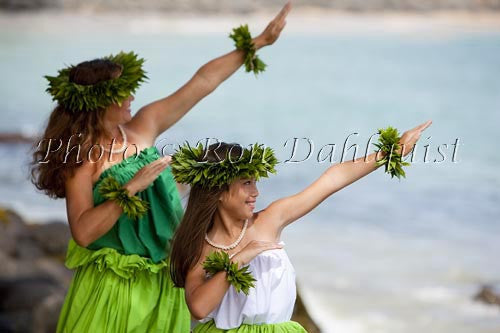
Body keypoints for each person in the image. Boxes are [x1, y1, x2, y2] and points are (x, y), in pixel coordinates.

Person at [30, 3, 292, 332]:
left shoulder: (144, 126)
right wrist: (131, 187)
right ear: (100, 101)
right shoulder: (83, 159)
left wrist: (258, 42)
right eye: (123, 91)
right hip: (116, 287)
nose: (131, 96)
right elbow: (82, 232)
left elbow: (203, 81)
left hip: (166, 281)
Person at [169, 120, 433, 332]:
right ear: (218, 192)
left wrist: (390, 152)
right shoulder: (202, 248)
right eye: (247, 183)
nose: (256, 192)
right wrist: (238, 259)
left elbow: (332, 180)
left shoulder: (270, 220)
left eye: (255, 182)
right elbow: (199, 308)